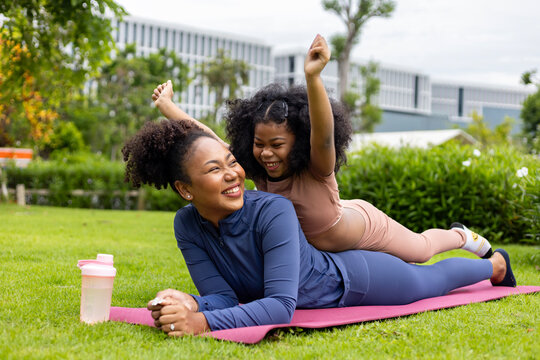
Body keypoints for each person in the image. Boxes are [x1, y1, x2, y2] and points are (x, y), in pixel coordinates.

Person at [121, 119, 516, 337]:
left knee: (428, 281)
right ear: (184, 189)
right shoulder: (187, 224)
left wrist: (199, 321)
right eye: (214, 169)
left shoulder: (273, 211)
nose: (233, 174)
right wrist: (191, 303)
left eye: (230, 162)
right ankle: (486, 262)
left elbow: (281, 306)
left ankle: (493, 266)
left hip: (353, 280)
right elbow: (223, 297)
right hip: (330, 280)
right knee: (426, 276)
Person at [151, 34, 492, 263]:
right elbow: (208, 140)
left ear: (297, 142)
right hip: (324, 237)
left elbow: (324, 135)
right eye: (259, 144)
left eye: (277, 145)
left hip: (363, 225)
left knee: (419, 251)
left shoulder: (315, 166)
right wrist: (169, 108)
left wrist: (313, 78)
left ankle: (461, 236)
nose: (266, 153)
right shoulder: (252, 166)